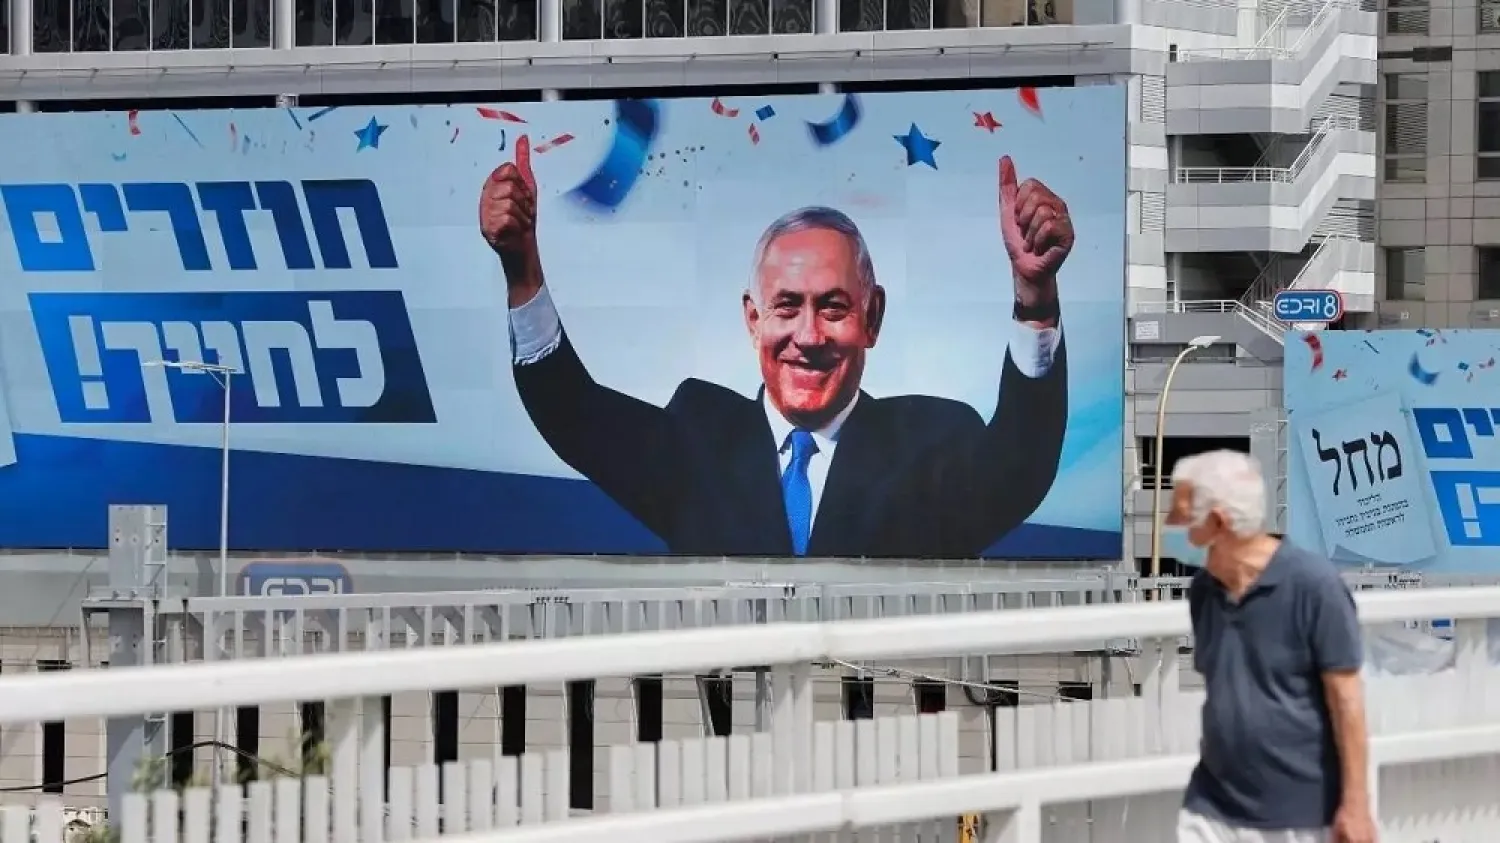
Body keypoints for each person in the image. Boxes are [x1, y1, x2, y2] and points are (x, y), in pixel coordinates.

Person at [476, 134, 1071, 558]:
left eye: (833, 307)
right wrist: (521, 268)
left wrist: (1035, 293)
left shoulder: (935, 445)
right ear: (752, 319)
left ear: (873, 317)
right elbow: (569, 410)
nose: (807, 337)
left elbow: (1022, 465)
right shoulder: (697, 440)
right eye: (787, 307)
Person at [1162, 450, 1378, 843]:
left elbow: (1347, 700)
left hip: (1299, 814)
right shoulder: (1204, 592)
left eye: (1179, 515)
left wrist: (1357, 805)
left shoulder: (1314, 586)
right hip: (1212, 806)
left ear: (1218, 521)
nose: (1168, 526)